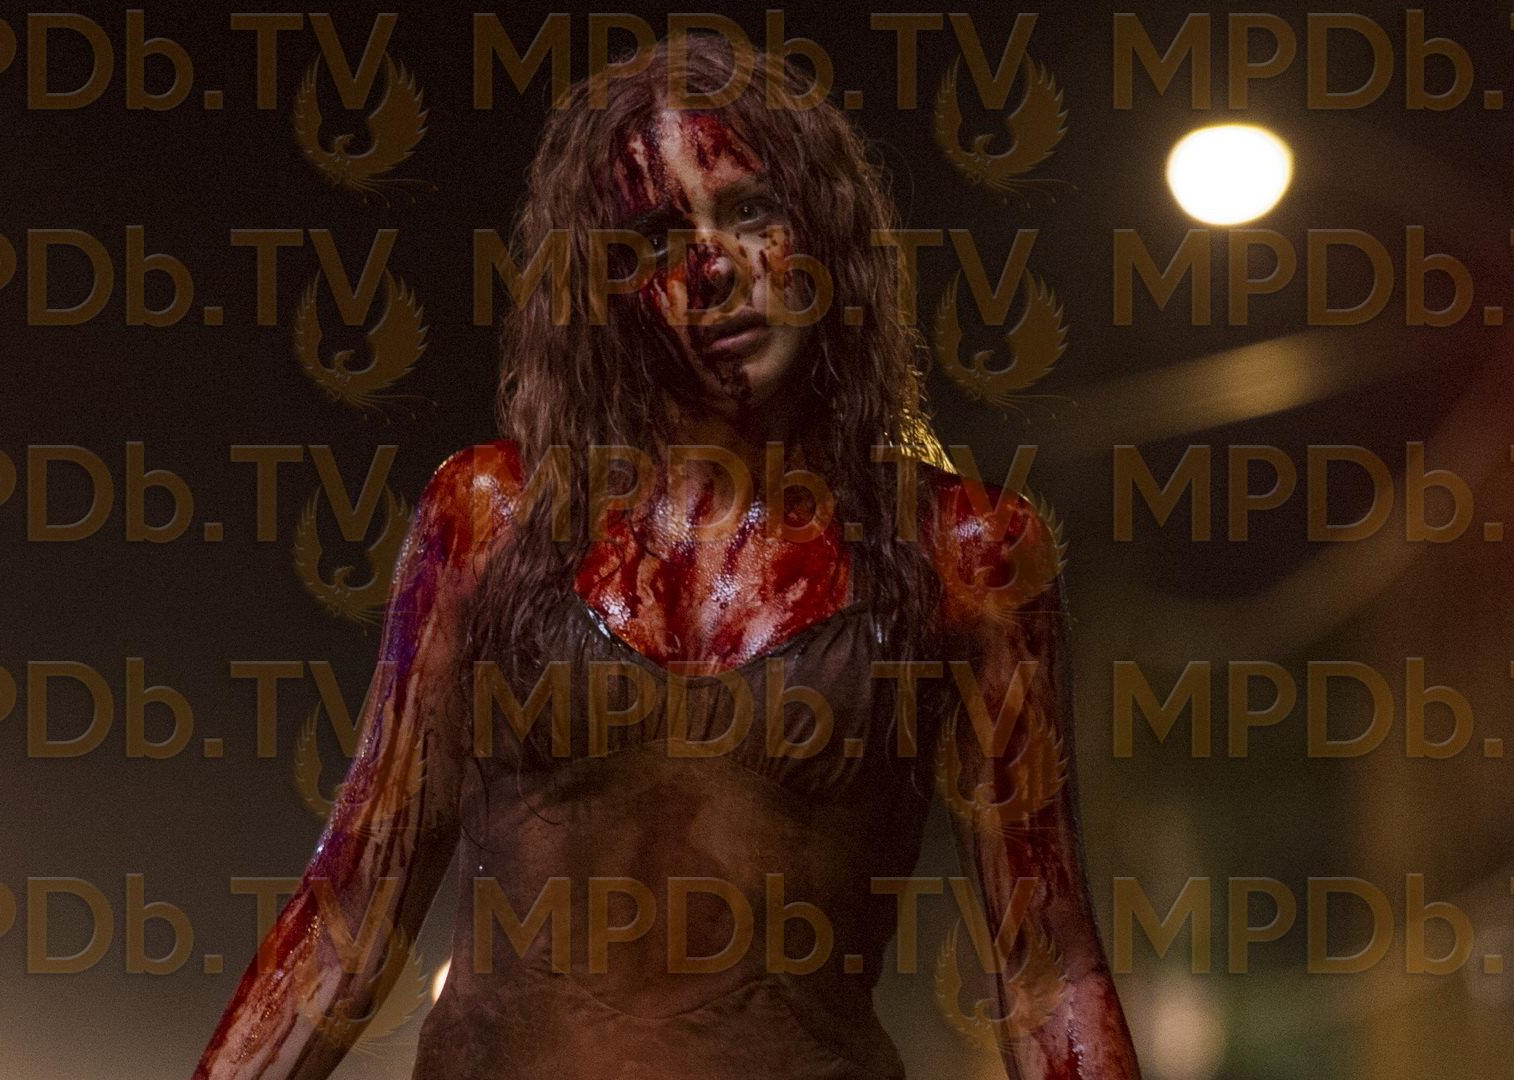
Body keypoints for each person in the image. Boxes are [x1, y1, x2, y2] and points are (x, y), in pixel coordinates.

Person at [194, 33, 1139, 1080]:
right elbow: (348, 915)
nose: (713, 268)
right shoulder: (491, 520)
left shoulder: (965, 555)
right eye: (655, 239)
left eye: (751, 211)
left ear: (826, 233)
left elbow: (1047, 968)